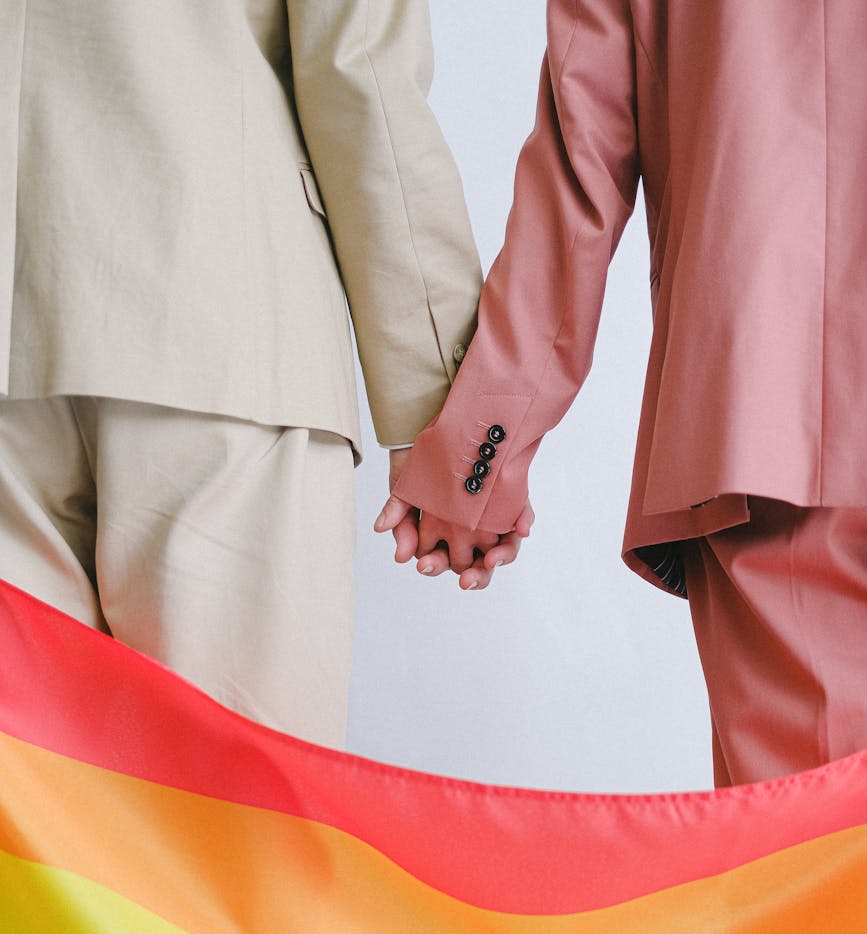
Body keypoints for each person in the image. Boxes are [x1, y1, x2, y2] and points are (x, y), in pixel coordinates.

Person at [378, 0, 867, 787]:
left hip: (774, 423)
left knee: (814, 871)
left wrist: (478, 460)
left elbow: (581, 173)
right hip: (776, 430)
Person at [0, 0, 481, 748]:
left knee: (34, 825)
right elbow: (361, 71)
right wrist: (446, 410)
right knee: (237, 815)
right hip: (219, 307)